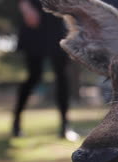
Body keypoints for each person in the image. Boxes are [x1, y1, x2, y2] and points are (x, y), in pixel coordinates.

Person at [13, 0, 78, 141]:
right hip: (35, 21)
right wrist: (26, 7)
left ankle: (65, 125)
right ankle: (16, 123)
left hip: (56, 21)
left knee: (62, 76)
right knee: (34, 76)